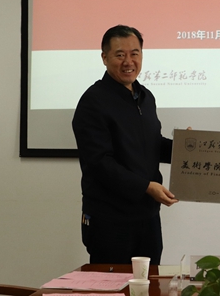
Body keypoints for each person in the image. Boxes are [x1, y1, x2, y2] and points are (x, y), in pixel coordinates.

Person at [72, 25, 178, 265]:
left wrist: (187, 148)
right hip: (110, 219)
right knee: (112, 283)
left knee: (148, 281)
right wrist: (146, 186)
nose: (128, 62)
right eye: (120, 55)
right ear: (104, 58)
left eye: (134, 53)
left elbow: (152, 145)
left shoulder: (145, 97)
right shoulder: (93, 102)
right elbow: (100, 163)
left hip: (147, 216)